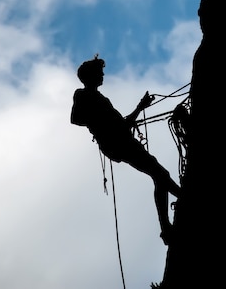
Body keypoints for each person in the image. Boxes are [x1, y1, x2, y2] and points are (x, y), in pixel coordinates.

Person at [70, 54, 181, 245]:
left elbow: (123, 124)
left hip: (120, 142)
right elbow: (76, 119)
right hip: (118, 144)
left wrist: (140, 107)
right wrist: (99, 123)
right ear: (91, 76)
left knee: (159, 174)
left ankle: (169, 222)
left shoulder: (98, 99)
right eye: (100, 73)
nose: (103, 76)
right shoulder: (84, 95)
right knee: (160, 173)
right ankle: (169, 222)